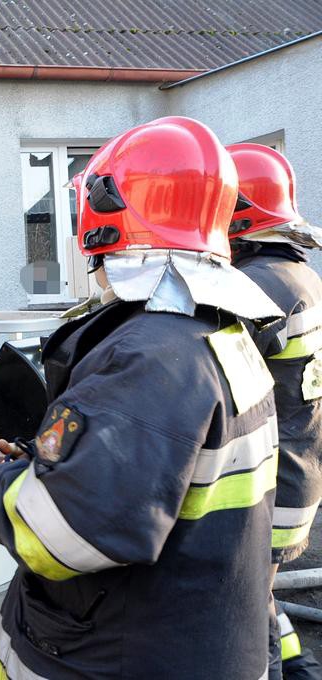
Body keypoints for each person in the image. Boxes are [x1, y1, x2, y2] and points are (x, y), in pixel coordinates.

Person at [0, 117, 282, 679]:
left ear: (106, 212)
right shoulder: (219, 333)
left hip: (117, 654)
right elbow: (160, 479)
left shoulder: (150, 358)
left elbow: (63, 535)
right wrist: (45, 466)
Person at [228, 143, 322, 680]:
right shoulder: (298, 276)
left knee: (243, 623)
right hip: (299, 474)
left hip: (268, 487)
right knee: (260, 600)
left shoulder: (257, 286)